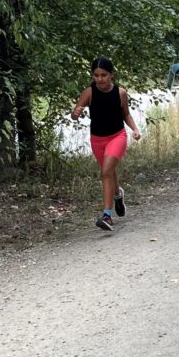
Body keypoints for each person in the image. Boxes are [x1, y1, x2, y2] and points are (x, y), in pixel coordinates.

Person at [72, 57, 141, 231]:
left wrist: (134, 129)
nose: (100, 79)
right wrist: (76, 112)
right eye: (96, 75)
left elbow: (126, 114)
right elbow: (75, 114)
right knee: (109, 172)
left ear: (111, 75)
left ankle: (107, 216)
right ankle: (118, 194)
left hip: (117, 136)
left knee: (105, 172)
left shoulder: (120, 93)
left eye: (104, 75)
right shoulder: (89, 92)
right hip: (97, 139)